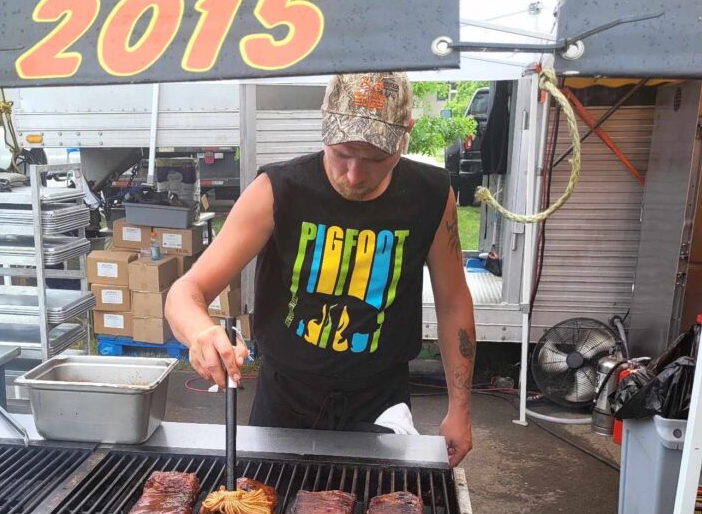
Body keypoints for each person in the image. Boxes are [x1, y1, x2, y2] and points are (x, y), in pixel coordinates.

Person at [165, 72, 476, 466]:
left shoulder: (430, 194)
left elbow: (453, 302)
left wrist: (460, 409)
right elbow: (186, 291)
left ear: (405, 135)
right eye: (341, 153)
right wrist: (200, 332)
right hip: (286, 399)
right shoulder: (278, 189)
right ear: (325, 123)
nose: (354, 174)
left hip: (380, 401)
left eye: (375, 159)